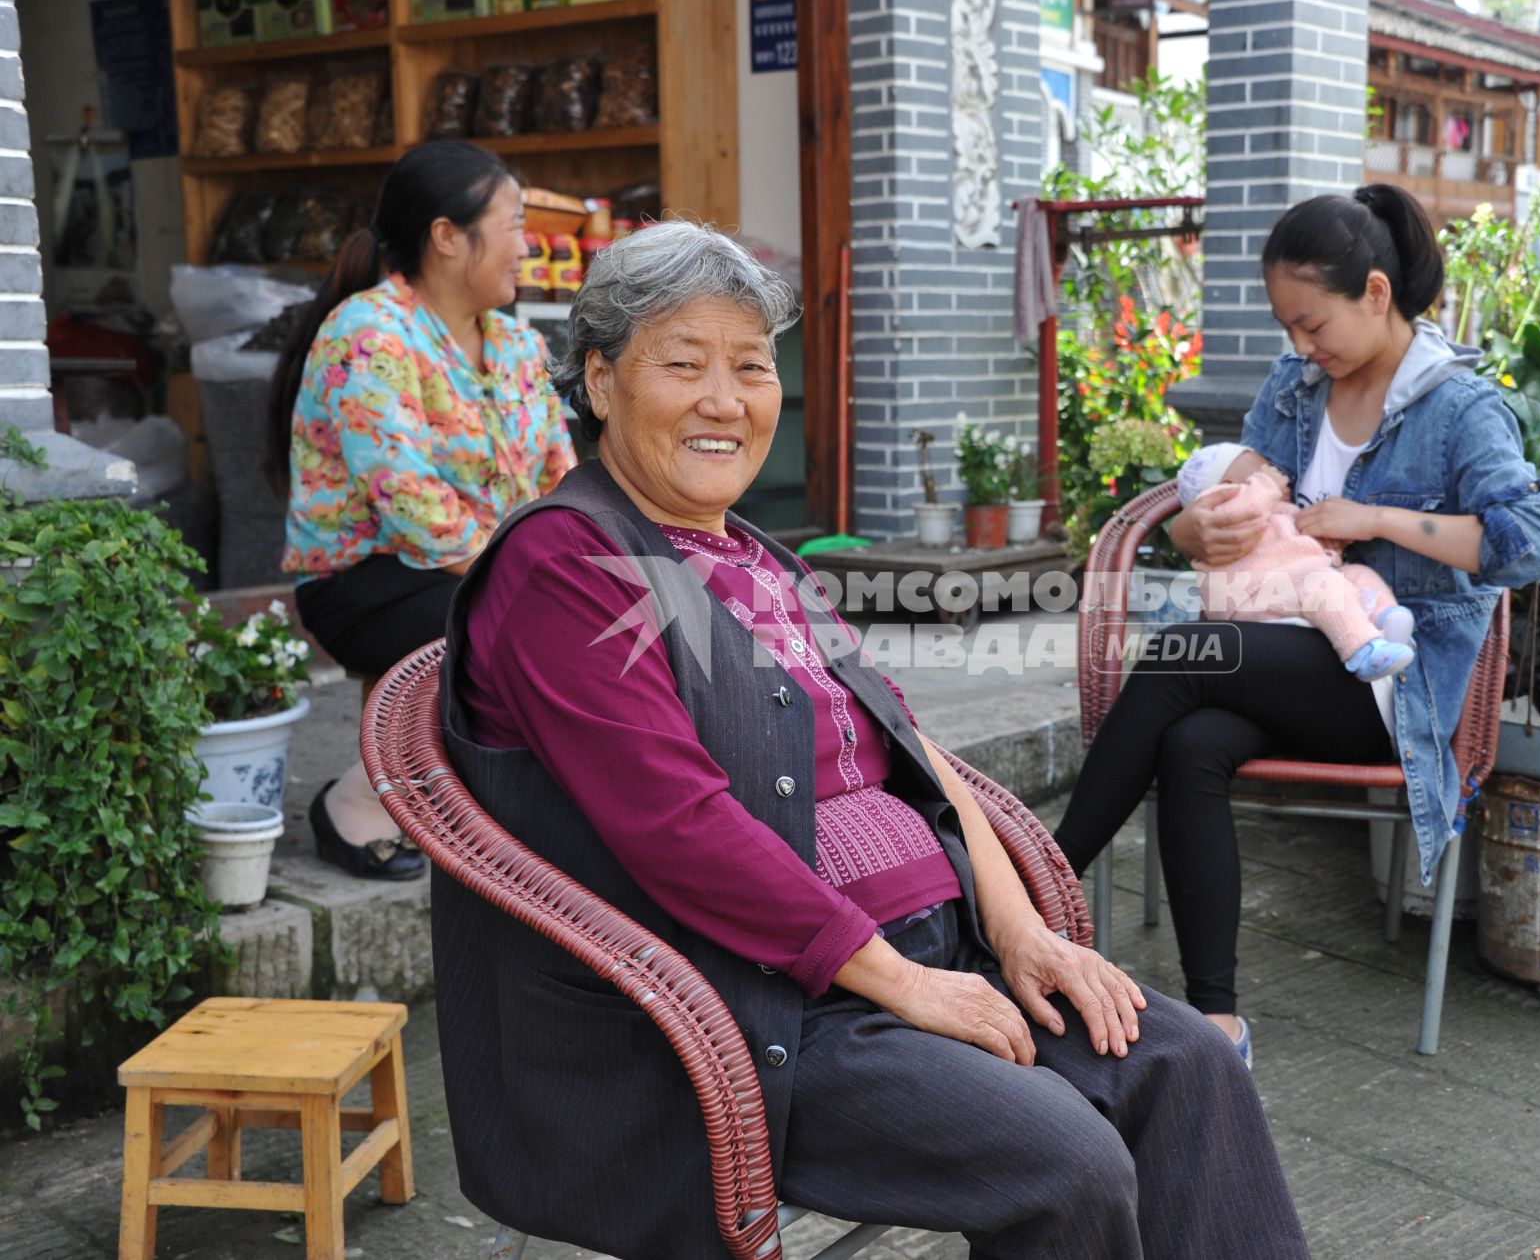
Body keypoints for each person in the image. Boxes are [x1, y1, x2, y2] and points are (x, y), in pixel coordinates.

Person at [432, 221, 1313, 1260]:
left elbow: (911, 744)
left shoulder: (757, 554)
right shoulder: (569, 565)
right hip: (763, 1012)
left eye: (752, 366)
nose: (726, 399)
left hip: (927, 950)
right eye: (685, 363)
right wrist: (906, 981)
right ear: (602, 378)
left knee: (1190, 1065)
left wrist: (1022, 930)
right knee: (1067, 1162)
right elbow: (680, 827)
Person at [1052, 183, 1540, 1063]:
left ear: (1375, 292)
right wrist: (1191, 528)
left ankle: (1029, 898)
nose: (1299, 347)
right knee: (1192, 742)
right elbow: (1214, 518)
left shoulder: (1459, 408)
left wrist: (1375, 519)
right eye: (1287, 327)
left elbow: (1534, 545)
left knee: (1183, 654)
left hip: (1390, 680)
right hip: (1285, 650)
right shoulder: (1297, 389)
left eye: (1313, 324)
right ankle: (1220, 1026)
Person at [267, 140, 576, 879]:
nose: (526, 246)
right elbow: (413, 505)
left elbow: (559, 475)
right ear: (447, 236)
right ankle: (357, 803)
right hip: (363, 581)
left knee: (579, 620)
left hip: (476, 571)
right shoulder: (369, 334)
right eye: (514, 223)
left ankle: (464, 803)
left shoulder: (518, 344)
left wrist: (574, 562)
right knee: (518, 633)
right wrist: (536, 581)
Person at [1176, 441, 1416, 681]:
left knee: (1357, 573)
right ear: (1227, 486)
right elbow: (1246, 510)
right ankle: (1363, 651)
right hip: (1249, 594)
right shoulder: (1222, 510)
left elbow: (1299, 547)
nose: (1279, 475)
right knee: (1323, 586)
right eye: (1263, 469)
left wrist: (1330, 547)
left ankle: (1385, 619)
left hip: (1289, 581)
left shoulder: (1278, 512)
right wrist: (1266, 483)